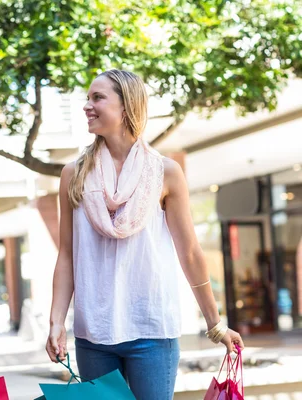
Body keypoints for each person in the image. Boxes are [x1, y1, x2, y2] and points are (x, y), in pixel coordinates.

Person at [46, 69, 244, 399]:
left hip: (152, 331)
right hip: (93, 335)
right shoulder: (73, 174)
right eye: (88, 98)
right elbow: (67, 255)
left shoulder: (164, 172)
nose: (87, 106)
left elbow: (190, 252)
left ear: (126, 107)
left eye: (98, 98)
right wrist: (56, 322)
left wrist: (215, 323)